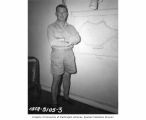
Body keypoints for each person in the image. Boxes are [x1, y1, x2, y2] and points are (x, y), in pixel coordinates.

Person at [47, 4, 81, 106]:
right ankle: (54, 104)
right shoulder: (51, 27)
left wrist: (62, 39)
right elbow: (53, 42)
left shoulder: (71, 27)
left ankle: (66, 97)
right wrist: (70, 40)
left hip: (69, 55)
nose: (62, 14)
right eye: (59, 12)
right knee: (56, 79)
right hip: (57, 55)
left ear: (67, 14)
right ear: (55, 13)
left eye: (64, 12)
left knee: (67, 77)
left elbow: (78, 39)